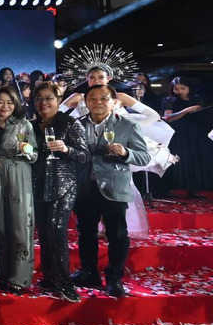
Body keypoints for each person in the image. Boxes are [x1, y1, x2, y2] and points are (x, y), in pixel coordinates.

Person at [72, 84, 151, 298]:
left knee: (117, 234)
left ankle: (114, 278)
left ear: (114, 102)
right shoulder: (76, 125)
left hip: (114, 186)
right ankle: (89, 272)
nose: (98, 102)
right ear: (85, 102)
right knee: (85, 232)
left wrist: (125, 152)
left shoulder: (127, 125)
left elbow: (144, 157)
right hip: (85, 186)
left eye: (103, 98)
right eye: (92, 98)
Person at [31, 81, 88, 302]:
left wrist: (66, 149)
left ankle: (65, 283)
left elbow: (84, 156)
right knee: (44, 232)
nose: (43, 103)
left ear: (58, 100)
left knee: (56, 228)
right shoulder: (32, 126)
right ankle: (49, 276)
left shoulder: (70, 123)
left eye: (48, 98)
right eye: (39, 99)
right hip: (38, 184)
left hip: (63, 185)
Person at [0, 86, 38, 294]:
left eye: (9, 102)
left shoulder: (24, 124)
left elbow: (34, 155)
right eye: (0, 102)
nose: (5, 106)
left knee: (20, 223)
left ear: (15, 104)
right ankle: (2, 272)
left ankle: (20, 277)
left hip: (18, 173)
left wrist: (26, 150)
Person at [162, 77, 213, 195]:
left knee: (195, 159)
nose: (179, 91)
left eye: (183, 88)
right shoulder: (169, 100)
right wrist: (185, 111)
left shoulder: (196, 98)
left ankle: (194, 188)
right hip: (178, 133)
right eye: (176, 89)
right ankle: (174, 188)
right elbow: (168, 118)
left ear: (189, 88)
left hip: (196, 132)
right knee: (179, 158)